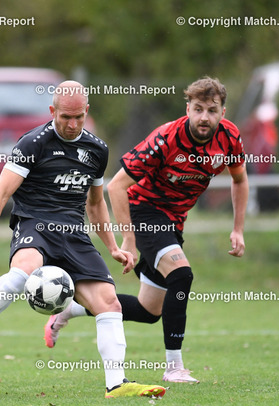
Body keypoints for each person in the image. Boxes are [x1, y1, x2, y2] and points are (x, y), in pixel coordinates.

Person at [0, 81, 166, 398]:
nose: (72, 124)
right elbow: (1, 193)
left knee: (109, 302)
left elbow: (96, 203)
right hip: (35, 224)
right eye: (65, 117)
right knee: (22, 272)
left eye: (79, 117)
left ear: (86, 112)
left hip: (74, 233)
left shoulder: (97, 149)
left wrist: (112, 246)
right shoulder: (32, 143)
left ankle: (116, 384)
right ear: (52, 110)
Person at [45, 77, 248, 384]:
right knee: (181, 274)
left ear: (223, 112)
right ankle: (174, 367)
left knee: (149, 310)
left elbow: (239, 179)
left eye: (212, 110)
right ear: (188, 109)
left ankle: (71, 309)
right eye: (198, 109)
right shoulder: (166, 138)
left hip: (174, 221)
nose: (204, 117)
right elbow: (116, 186)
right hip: (144, 211)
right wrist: (128, 238)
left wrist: (238, 229)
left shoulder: (229, 137)